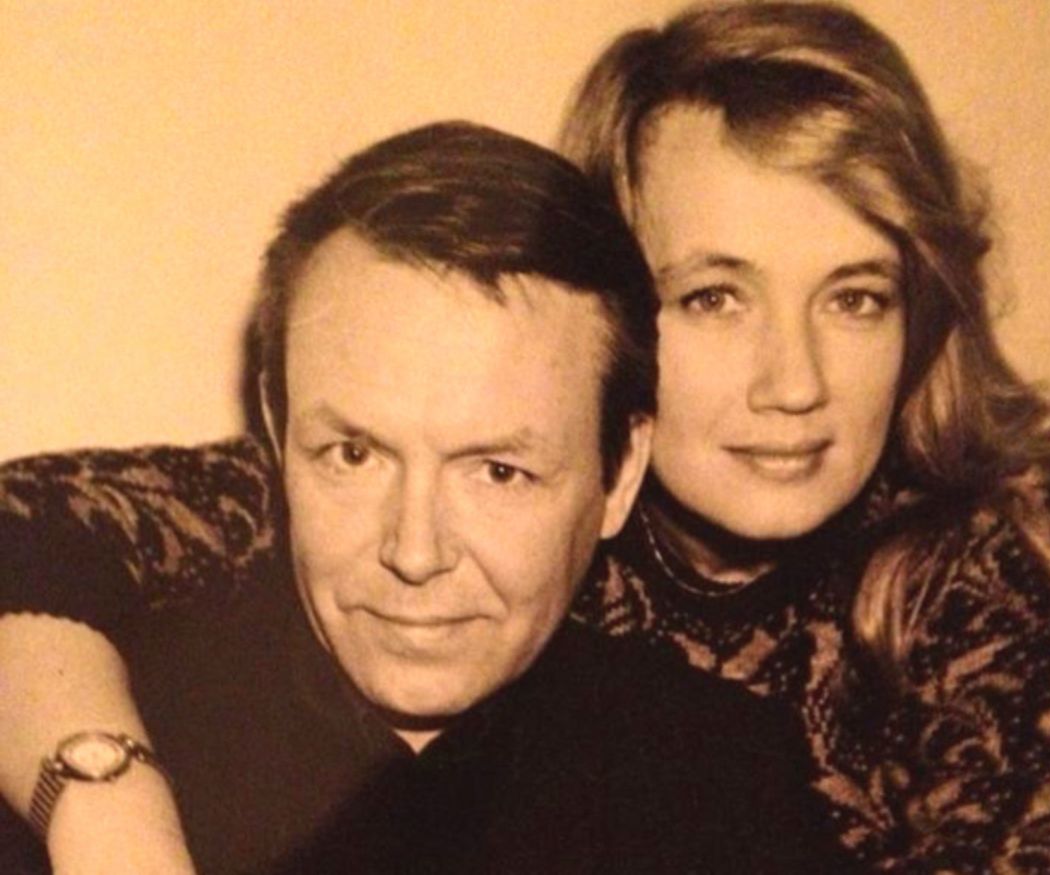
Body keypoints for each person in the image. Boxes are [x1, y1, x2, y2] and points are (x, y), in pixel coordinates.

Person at [2, 1, 1050, 872]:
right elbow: (33, 531)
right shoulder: (471, 479)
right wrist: (106, 805)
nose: (795, 382)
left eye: (855, 296)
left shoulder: (1000, 573)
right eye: (715, 295)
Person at [0, 121, 848, 874]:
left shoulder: (720, 779)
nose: (413, 552)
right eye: (354, 454)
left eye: (498, 472)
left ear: (620, 472)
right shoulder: (86, 748)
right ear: (278, 429)